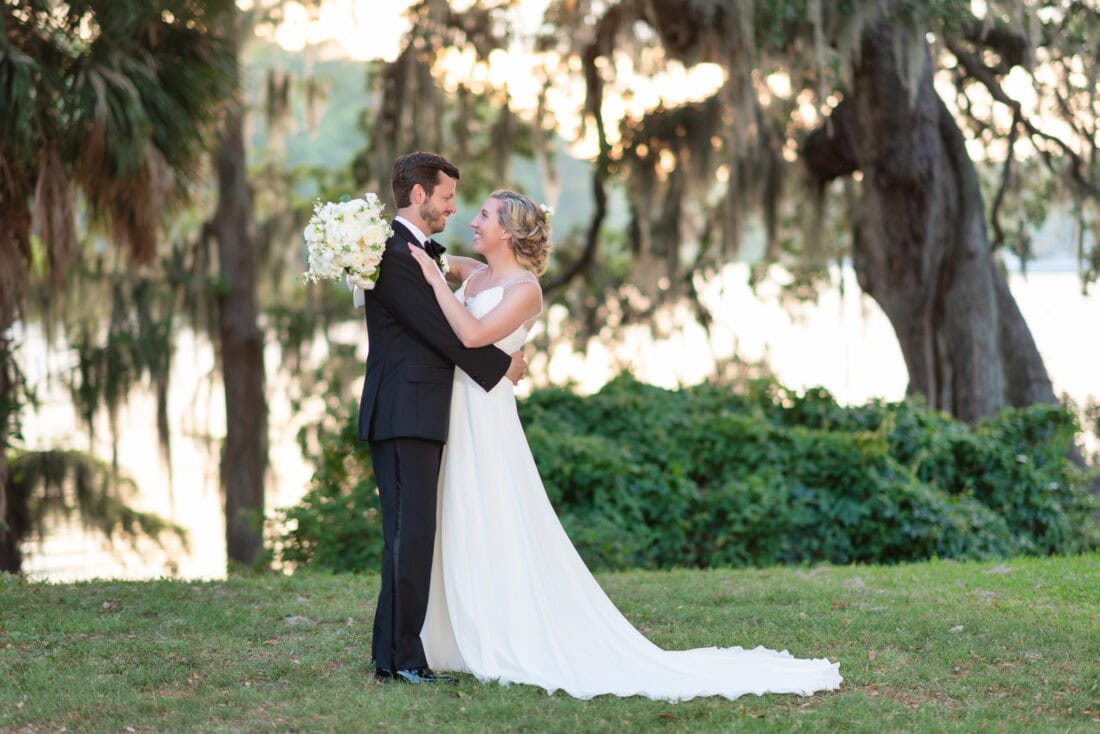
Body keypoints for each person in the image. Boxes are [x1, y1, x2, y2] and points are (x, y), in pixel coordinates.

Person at [406, 190, 843, 701]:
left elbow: (475, 335)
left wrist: (436, 280)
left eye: (483, 215)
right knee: (456, 512)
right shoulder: (476, 273)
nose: (472, 222)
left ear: (507, 230)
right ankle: (452, 630)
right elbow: (427, 256)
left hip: (486, 416)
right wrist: (380, 250)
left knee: (491, 513)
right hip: (457, 408)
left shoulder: (525, 290)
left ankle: (501, 631)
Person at [358, 153, 526, 685]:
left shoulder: (412, 251)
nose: (453, 208)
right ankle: (404, 657)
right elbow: (443, 332)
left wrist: (460, 269)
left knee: (407, 534)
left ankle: (392, 654)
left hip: (413, 411)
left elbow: (459, 304)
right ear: (418, 195)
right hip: (406, 411)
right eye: (448, 197)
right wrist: (504, 366)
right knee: (411, 536)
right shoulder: (397, 254)